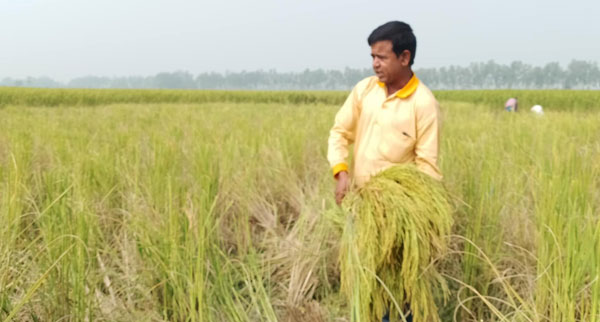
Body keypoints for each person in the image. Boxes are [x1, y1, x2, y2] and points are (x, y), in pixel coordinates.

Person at [327, 21, 442, 322]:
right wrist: (342, 173)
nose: (375, 64)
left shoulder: (423, 103)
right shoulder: (364, 91)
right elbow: (339, 133)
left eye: (382, 57)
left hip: (398, 216)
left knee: (399, 288)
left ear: (404, 57)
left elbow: (427, 167)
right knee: (364, 284)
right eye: (372, 57)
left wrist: (413, 215)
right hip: (361, 208)